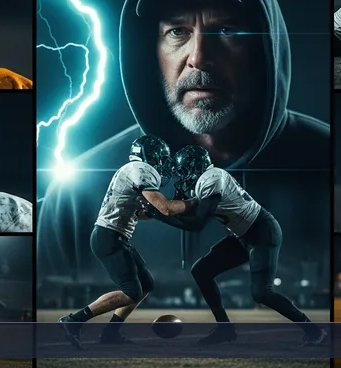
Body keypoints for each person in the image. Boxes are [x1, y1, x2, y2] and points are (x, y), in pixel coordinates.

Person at [39, 0, 329, 286]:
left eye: (226, 31)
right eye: (177, 31)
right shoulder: (78, 196)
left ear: (264, 48)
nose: (199, 57)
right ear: (150, 50)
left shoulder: (328, 163)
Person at [140, 145, 327, 346]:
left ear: (195, 167)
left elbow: (197, 224)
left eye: (184, 171)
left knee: (262, 293)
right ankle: (225, 329)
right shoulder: (206, 179)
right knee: (201, 271)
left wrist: (160, 216)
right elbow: (192, 217)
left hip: (261, 231)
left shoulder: (212, 178)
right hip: (244, 234)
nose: (183, 176)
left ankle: (314, 330)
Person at [58, 135, 194, 349]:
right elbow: (166, 209)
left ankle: (110, 333)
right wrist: (191, 203)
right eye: (160, 159)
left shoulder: (131, 170)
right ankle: (74, 320)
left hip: (114, 236)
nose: (162, 164)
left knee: (146, 284)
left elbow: (142, 214)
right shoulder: (141, 169)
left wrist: (157, 209)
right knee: (131, 291)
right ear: (149, 155)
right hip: (109, 236)